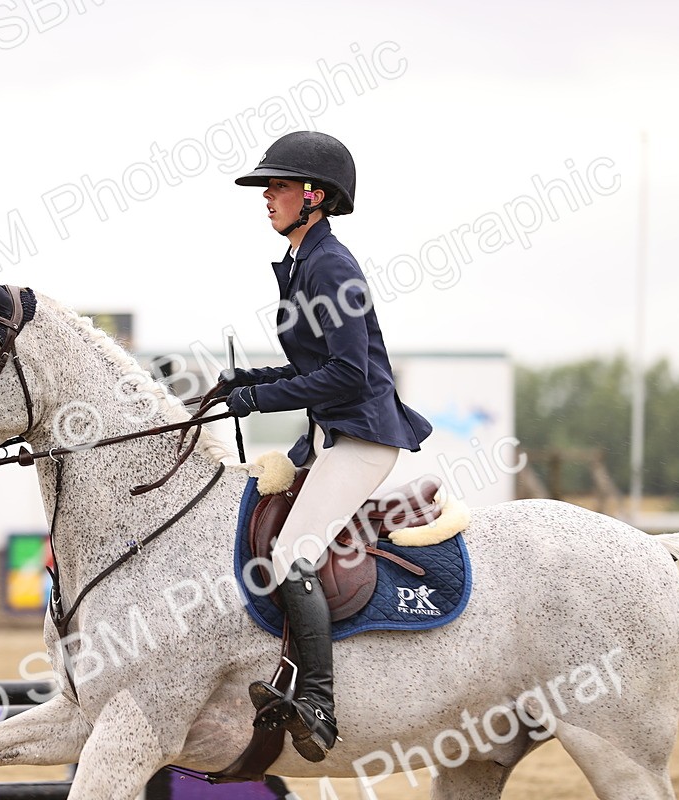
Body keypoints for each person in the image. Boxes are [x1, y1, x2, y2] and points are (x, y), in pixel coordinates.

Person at [218, 130, 432, 762]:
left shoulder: (330, 265)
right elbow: (312, 369)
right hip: (327, 433)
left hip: (361, 435)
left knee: (290, 555)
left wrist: (259, 401)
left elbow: (349, 374)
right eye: (269, 188)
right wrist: (248, 383)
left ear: (315, 196)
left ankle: (317, 702)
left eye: (279, 187)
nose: (268, 198)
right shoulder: (303, 262)